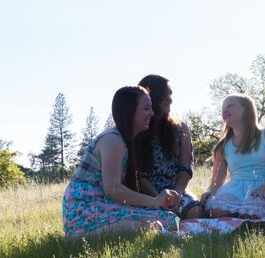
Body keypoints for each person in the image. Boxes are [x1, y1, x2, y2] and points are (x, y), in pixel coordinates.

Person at [62, 86, 180, 238]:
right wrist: (156, 201)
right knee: (157, 225)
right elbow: (113, 189)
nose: (151, 113)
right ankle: (80, 237)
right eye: (146, 108)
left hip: (101, 206)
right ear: (129, 111)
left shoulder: (123, 140)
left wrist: (156, 202)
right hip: (85, 211)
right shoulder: (112, 140)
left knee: (170, 220)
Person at [200, 94, 265, 218]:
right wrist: (209, 191)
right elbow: (216, 181)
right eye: (223, 108)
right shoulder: (223, 146)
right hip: (235, 187)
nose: (225, 110)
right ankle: (237, 213)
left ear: (247, 109)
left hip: (264, 186)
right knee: (217, 211)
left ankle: (250, 211)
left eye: (230, 106)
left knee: (252, 212)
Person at [135, 74, 203, 219]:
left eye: (171, 94)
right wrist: (158, 199)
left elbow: (185, 169)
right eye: (166, 95)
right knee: (155, 219)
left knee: (194, 211)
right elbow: (137, 175)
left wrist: (176, 194)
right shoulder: (137, 129)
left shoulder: (180, 128)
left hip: (174, 191)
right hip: (145, 193)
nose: (170, 99)